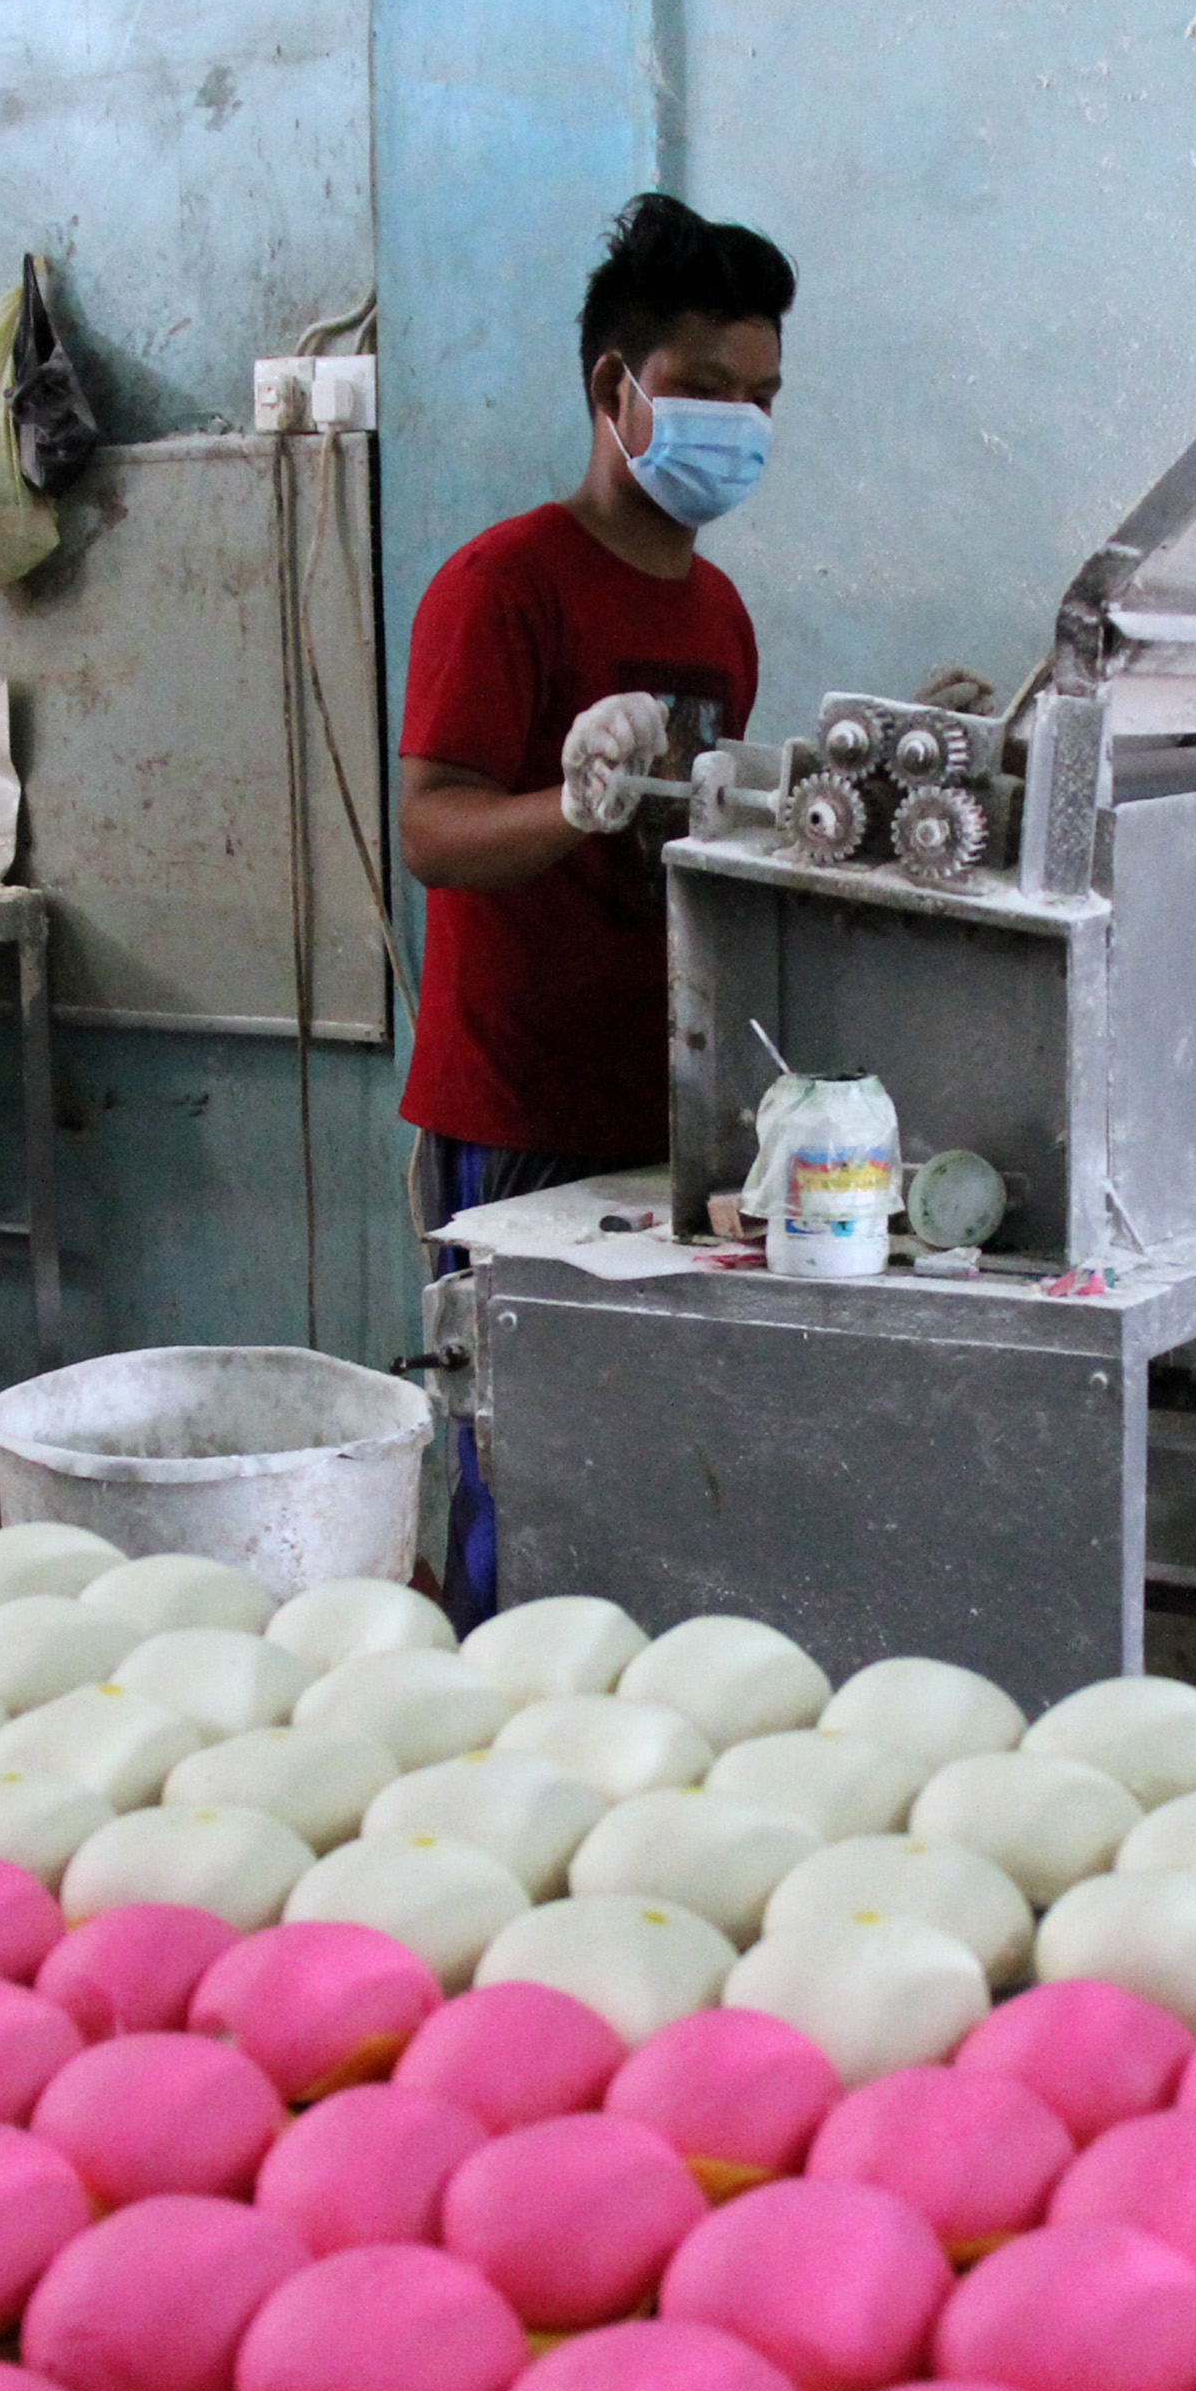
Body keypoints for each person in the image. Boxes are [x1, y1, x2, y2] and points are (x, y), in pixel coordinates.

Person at [395, 192, 791, 1621]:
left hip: (668, 1116)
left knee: (654, 1468)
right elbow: (432, 829)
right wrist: (567, 812)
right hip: (519, 1118)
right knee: (523, 1461)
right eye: (707, 392)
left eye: (766, 399)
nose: (741, 424)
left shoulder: (722, 613)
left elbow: (695, 844)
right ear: (615, 387)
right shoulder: (505, 586)